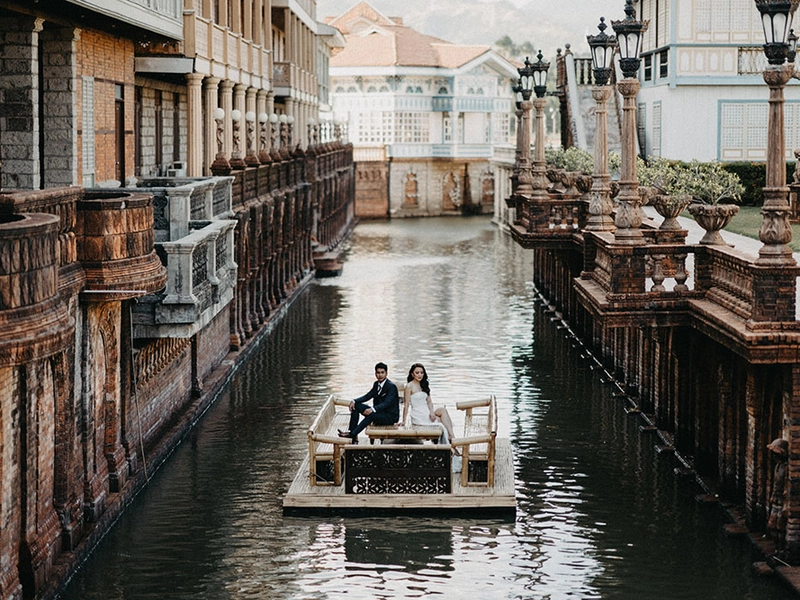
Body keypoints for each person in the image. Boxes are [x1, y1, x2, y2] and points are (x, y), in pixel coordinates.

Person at [338, 362, 399, 442]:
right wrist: (354, 401)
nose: (380, 375)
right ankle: (352, 431)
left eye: (382, 373)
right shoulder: (376, 384)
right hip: (379, 413)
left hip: (390, 416)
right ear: (375, 373)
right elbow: (368, 396)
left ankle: (352, 434)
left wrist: (373, 409)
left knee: (371, 415)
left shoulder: (391, 387)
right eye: (378, 373)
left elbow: (386, 403)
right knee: (356, 406)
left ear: (386, 373)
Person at [404, 363, 457, 452]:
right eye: (417, 373)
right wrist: (403, 421)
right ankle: (450, 444)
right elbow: (406, 405)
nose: (419, 375)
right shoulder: (409, 386)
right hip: (418, 413)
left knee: (443, 411)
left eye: (421, 372)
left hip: (427, 410)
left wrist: (432, 412)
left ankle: (451, 436)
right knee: (441, 421)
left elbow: (429, 401)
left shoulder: (424, 384)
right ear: (412, 374)